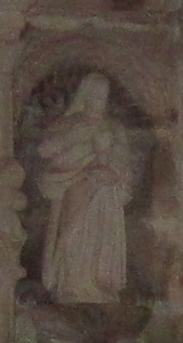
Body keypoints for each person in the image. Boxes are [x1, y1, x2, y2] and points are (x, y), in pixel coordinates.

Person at [32, 72, 139, 304]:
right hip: (76, 186)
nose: (100, 100)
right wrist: (76, 139)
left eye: (104, 95)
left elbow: (123, 160)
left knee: (102, 238)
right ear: (86, 95)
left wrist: (112, 171)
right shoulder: (71, 122)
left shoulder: (113, 127)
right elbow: (45, 150)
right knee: (74, 234)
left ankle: (99, 286)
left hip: (105, 194)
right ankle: (72, 285)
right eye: (96, 95)